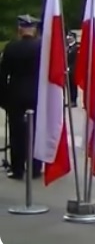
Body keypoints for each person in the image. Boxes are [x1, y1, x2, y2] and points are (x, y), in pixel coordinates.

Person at [0, 15, 43, 180]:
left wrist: (3, 99)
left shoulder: (11, 48)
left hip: (15, 95)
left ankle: (17, 168)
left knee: (17, 133)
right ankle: (35, 167)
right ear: (34, 30)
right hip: (37, 94)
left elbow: (3, 74)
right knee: (36, 131)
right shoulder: (42, 47)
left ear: (20, 29)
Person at [66, 31, 79, 107]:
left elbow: (75, 60)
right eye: (68, 36)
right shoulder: (68, 47)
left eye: (70, 36)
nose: (68, 38)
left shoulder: (76, 47)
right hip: (68, 70)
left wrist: (70, 68)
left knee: (73, 86)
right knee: (69, 86)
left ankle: (74, 101)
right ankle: (70, 100)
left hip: (73, 70)